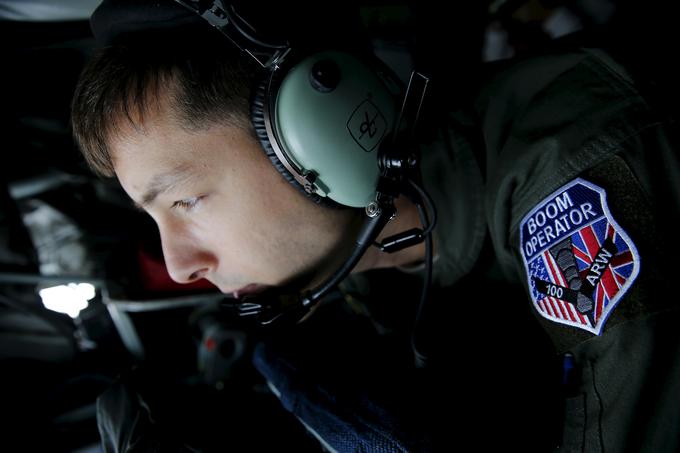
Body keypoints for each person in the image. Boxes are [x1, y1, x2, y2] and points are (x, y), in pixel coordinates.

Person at [71, 0, 679, 451]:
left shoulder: (573, 169)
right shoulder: (355, 268)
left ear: (322, 132)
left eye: (184, 202)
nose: (178, 265)